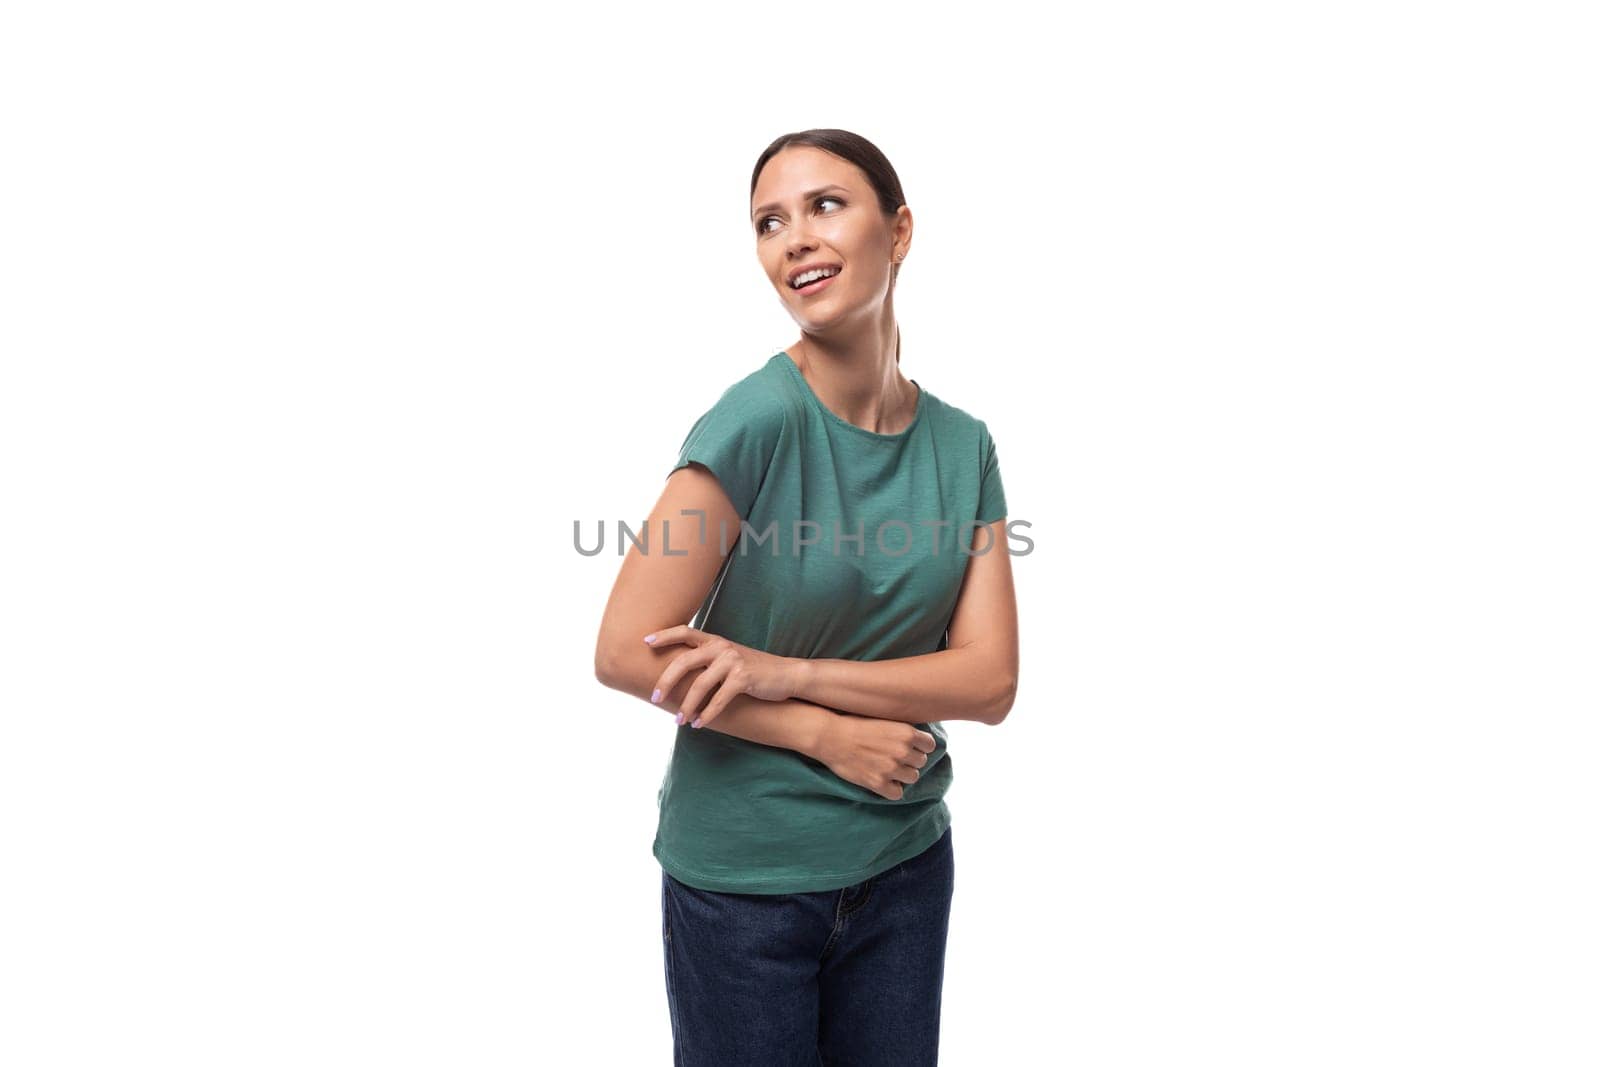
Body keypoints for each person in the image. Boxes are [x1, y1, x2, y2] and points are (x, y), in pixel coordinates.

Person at [593, 128, 1019, 1066]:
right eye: (769, 222)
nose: (794, 239)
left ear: (898, 230)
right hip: (746, 886)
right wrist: (820, 731)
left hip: (905, 867)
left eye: (826, 206)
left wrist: (788, 672)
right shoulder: (755, 419)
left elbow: (987, 681)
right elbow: (625, 648)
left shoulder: (965, 445)